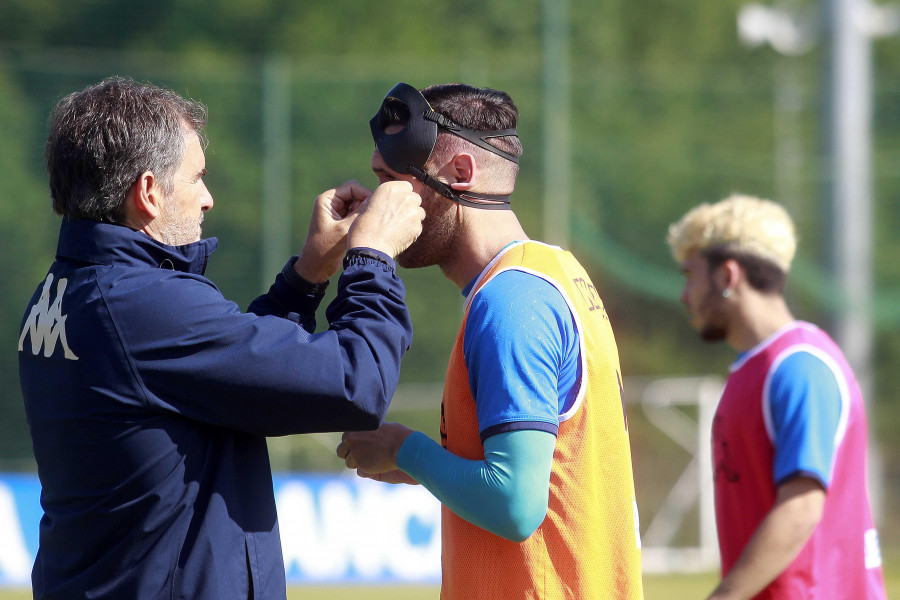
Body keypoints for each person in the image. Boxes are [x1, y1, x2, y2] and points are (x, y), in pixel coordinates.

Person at [17, 76, 425, 599]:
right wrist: (374, 256)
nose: (208, 199)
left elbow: (230, 377)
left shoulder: (72, 288)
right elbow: (354, 383)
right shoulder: (139, 302)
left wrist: (307, 277)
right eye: (197, 178)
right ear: (148, 192)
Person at [336, 82, 644, 599]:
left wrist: (403, 448)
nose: (374, 204)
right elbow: (552, 479)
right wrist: (418, 469)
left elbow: (515, 506)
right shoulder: (549, 272)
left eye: (392, 182)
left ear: (461, 174)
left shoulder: (511, 302)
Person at [666, 194, 887, 600]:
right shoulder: (756, 368)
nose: (684, 294)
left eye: (690, 275)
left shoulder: (799, 368)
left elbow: (801, 507)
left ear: (727, 276)